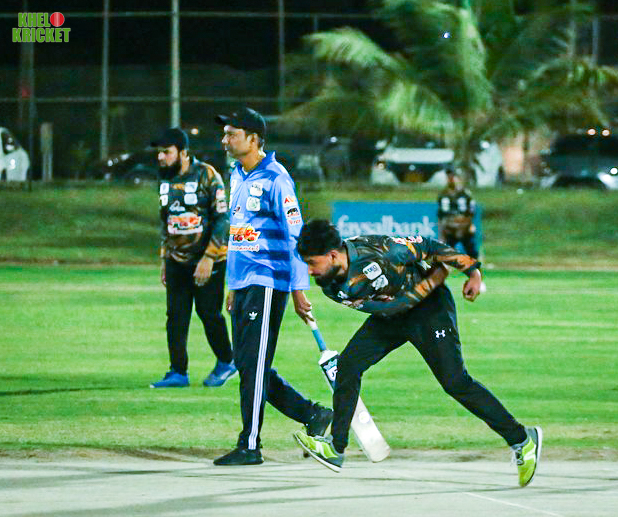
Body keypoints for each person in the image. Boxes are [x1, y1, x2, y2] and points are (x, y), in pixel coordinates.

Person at [294, 219, 542, 487]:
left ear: (333, 255)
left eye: (312, 263)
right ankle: (335, 447)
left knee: (455, 382)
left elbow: (430, 246)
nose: (309, 271)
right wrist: (432, 281)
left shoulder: (380, 250)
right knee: (348, 366)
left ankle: (522, 440)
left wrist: (472, 271)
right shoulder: (330, 286)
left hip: (430, 310)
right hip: (393, 314)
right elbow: (387, 308)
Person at [212, 108, 332, 466]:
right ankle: (312, 414)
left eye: (231, 134)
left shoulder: (277, 178)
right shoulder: (236, 174)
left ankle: (250, 446)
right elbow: (237, 235)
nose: (224, 140)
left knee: (252, 365)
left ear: (253, 139)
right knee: (249, 364)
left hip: (268, 282)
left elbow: (296, 236)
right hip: (243, 282)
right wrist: (232, 285)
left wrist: (298, 288)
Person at [150, 127, 237, 388]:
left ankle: (227, 361)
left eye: (166, 152)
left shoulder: (207, 175)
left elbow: (222, 219)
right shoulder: (164, 179)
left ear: (183, 153)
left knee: (208, 313)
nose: (161, 157)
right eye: (159, 152)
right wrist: (165, 258)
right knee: (176, 315)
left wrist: (209, 257)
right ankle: (178, 372)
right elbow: (166, 221)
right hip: (176, 261)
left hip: (208, 260)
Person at [437, 167, 481, 261]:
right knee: (445, 253)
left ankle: (474, 265)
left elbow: (471, 211)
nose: (451, 179)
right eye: (449, 177)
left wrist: (468, 224)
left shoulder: (465, 194)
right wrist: (442, 232)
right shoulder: (443, 195)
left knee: (471, 252)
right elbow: (441, 215)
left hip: (464, 226)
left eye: (453, 177)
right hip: (450, 227)